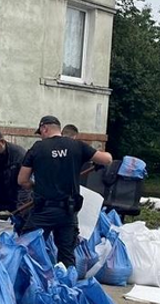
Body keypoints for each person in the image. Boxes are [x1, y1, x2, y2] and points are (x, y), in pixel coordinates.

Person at [18, 115, 112, 268]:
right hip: (68, 211)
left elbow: (22, 180)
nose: (41, 136)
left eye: (40, 132)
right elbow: (106, 160)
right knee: (67, 256)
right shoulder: (77, 146)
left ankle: (31, 286)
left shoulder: (37, 148)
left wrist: (34, 185)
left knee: (29, 250)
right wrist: (104, 155)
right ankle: (67, 288)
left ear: (44, 128)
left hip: (43, 211)